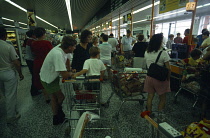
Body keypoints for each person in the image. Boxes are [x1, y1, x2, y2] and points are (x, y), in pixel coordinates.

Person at [40, 36, 77, 125]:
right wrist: (71, 74)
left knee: (54, 97)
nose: (75, 48)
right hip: (48, 78)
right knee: (60, 97)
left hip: (51, 75)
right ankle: (59, 115)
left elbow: (67, 59)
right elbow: (64, 75)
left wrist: (69, 69)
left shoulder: (62, 47)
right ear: (69, 47)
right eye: (74, 46)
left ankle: (56, 117)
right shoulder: (57, 54)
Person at [0, 27, 24, 124]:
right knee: (10, 95)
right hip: (8, 73)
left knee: (5, 93)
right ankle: (11, 116)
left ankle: (12, 110)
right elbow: (16, 62)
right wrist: (20, 73)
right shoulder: (8, 46)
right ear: (5, 35)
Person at [144, 33, 171, 112]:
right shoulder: (163, 53)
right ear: (159, 42)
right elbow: (168, 69)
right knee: (162, 98)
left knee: (150, 97)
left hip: (149, 77)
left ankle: (149, 113)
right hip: (160, 78)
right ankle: (159, 115)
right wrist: (168, 79)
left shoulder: (147, 52)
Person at [31, 27, 53, 102]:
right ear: (44, 34)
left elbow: (33, 53)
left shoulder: (33, 43)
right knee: (49, 79)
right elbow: (51, 53)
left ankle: (46, 97)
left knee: (41, 80)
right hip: (46, 63)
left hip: (37, 63)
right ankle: (52, 95)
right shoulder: (47, 43)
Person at [25, 30, 39, 96]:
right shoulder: (32, 41)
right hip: (31, 60)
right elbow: (34, 52)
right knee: (34, 75)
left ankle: (35, 89)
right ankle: (34, 91)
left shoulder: (28, 40)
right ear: (33, 35)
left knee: (34, 75)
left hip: (28, 59)